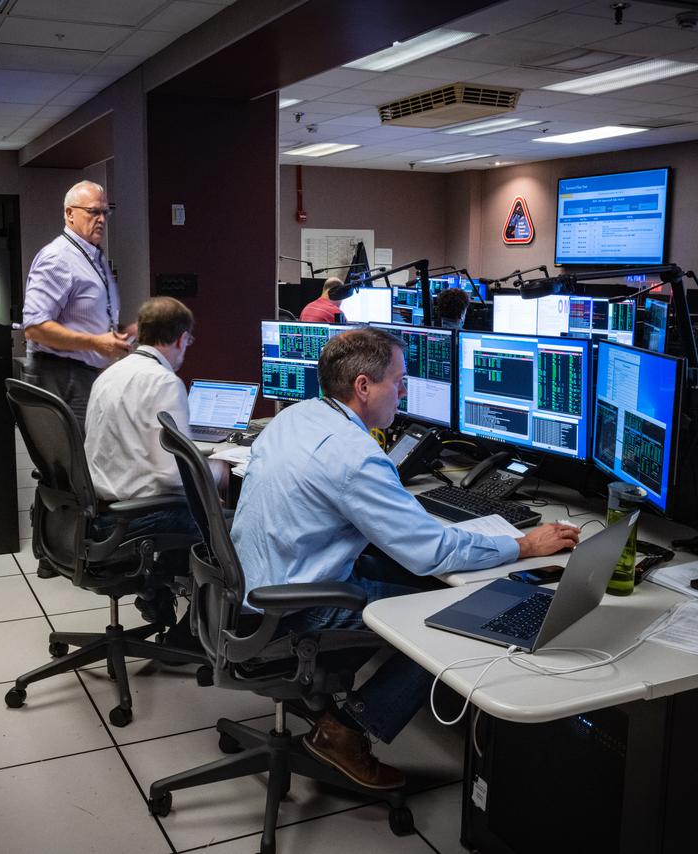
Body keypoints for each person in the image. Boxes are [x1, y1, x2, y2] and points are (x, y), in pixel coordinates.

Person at [230, 327, 579, 789]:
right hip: (294, 607)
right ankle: (345, 732)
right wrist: (525, 545)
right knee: (451, 620)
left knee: (414, 582)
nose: (404, 392)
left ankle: (349, 707)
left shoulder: (297, 416)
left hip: (257, 587)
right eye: (399, 381)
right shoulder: (353, 456)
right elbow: (430, 551)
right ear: (363, 386)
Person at [83, 296, 228, 641]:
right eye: (188, 342)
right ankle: (193, 634)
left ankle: (156, 586)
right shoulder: (164, 382)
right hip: (135, 517)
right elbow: (173, 475)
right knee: (224, 525)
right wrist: (219, 473)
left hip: (99, 510)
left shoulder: (110, 374)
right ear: (181, 338)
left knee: (194, 509)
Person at [22, 180, 135, 430]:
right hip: (62, 377)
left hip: (84, 375)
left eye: (105, 212)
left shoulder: (92, 256)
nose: (102, 219)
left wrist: (125, 332)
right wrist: (95, 343)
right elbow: (34, 328)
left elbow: (86, 319)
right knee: (79, 452)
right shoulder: (58, 258)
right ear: (70, 213)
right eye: (93, 211)